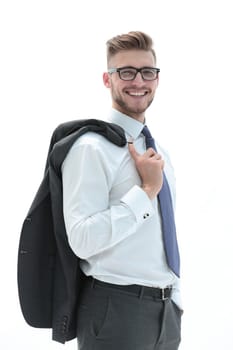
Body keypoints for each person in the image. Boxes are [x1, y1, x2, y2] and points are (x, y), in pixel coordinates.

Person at [62, 31, 182, 350]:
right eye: (125, 72)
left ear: (157, 79)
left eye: (147, 72)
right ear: (107, 79)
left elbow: (160, 237)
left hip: (166, 314)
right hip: (117, 310)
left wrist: (175, 299)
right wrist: (146, 191)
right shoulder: (92, 148)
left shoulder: (159, 154)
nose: (138, 81)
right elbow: (82, 240)